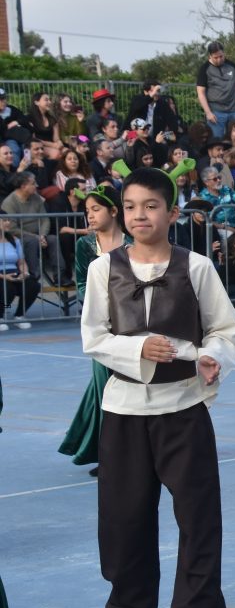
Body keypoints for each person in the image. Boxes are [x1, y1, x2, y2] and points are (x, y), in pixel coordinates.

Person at [77, 163, 235, 608]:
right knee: (122, 518)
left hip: (184, 410)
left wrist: (214, 356)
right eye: (129, 207)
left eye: (150, 206)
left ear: (172, 212)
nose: (139, 215)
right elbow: (94, 338)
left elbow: (225, 329)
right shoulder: (103, 269)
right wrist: (138, 348)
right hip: (123, 411)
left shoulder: (196, 267)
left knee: (198, 520)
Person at [58, 185, 135, 473]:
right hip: (102, 327)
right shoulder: (85, 246)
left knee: (131, 389)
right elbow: (80, 285)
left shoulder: (133, 242)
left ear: (113, 211)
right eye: (87, 210)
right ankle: (111, 455)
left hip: (135, 326)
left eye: (95, 209)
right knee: (105, 390)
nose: (89, 215)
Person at [195, 41, 235, 140]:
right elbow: (201, 93)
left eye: (221, 56)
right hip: (216, 112)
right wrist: (208, 112)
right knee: (216, 140)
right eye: (216, 57)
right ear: (210, 56)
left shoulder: (232, 66)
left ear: (224, 53)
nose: (219, 59)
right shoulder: (204, 69)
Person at [0, 216, 39, 329]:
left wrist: (24, 273)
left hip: (14, 272)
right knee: (8, 288)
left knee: (33, 285)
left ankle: (19, 315)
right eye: (4, 220)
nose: (8, 223)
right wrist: (4, 277)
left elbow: (21, 262)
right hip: (1, 275)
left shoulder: (14, 240)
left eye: (9, 220)